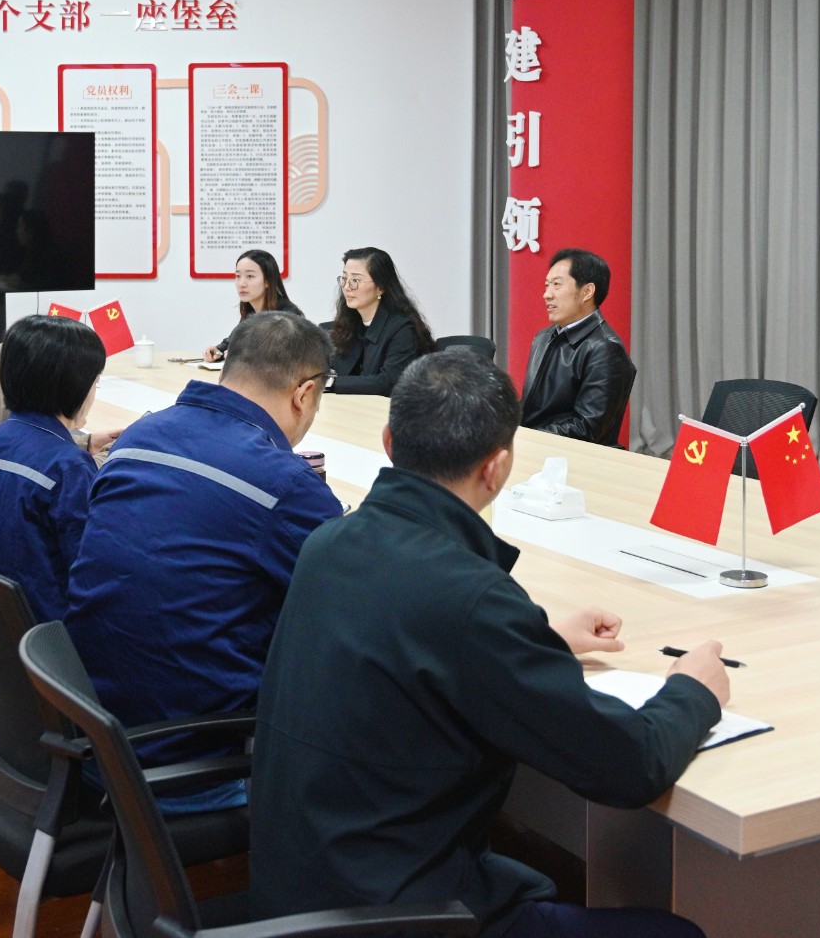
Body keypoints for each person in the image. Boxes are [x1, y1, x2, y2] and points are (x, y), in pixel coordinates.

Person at [250, 348, 727, 938]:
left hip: (295, 892)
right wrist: (693, 691)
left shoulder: (329, 543)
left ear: (389, 442)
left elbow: (408, 642)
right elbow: (631, 768)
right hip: (394, 917)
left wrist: (535, 639)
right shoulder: (470, 597)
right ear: (498, 469)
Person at [66, 311, 343, 811]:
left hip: (92, 732)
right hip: (185, 766)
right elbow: (350, 614)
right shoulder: (286, 485)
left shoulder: (138, 437)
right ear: (304, 394)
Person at [0, 316, 109, 624]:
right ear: (74, 386)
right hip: (45, 643)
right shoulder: (69, 469)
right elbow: (91, 573)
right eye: (95, 382)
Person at [521, 248, 637, 446]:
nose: (546, 295)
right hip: (535, 447)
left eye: (557, 285)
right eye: (547, 285)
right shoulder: (543, 338)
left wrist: (524, 437)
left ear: (587, 292)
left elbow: (586, 429)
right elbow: (532, 409)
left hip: (571, 457)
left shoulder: (605, 349)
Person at [325, 247, 436, 396]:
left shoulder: (403, 329)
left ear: (380, 287)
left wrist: (329, 383)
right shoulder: (350, 324)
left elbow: (387, 383)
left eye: (355, 280)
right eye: (344, 279)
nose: (346, 287)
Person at [203, 249, 302, 361]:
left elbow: (280, 357)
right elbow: (232, 342)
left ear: (268, 281)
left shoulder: (288, 315)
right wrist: (218, 351)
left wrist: (241, 354)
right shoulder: (250, 312)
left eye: (250, 276)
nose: (241, 284)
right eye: (238, 276)